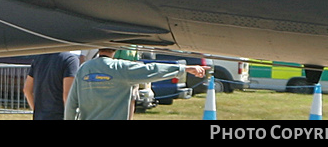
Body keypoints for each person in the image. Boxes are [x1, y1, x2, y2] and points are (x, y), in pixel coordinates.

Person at [64, 48, 207, 120]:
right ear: (116, 49)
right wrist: (184, 68)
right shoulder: (121, 68)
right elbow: (152, 70)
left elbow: (71, 104)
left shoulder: (84, 69)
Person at [24, 50, 82, 120]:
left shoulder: (38, 58)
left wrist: (37, 111)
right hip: (60, 116)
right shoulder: (70, 60)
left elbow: (27, 89)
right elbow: (68, 95)